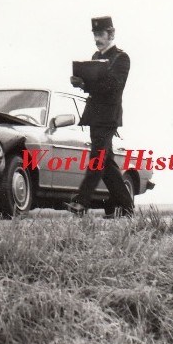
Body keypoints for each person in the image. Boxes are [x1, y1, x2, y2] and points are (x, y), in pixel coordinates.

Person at [66, 16, 135, 218]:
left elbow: (114, 87)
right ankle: (127, 208)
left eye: (100, 34)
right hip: (95, 116)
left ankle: (81, 202)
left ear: (111, 34)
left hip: (108, 117)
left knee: (97, 158)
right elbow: (96, 85)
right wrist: (80, 81)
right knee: (106, 164)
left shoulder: (121, 58)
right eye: (95, 34)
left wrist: (85, 84)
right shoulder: (96, 56)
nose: (97, 38)